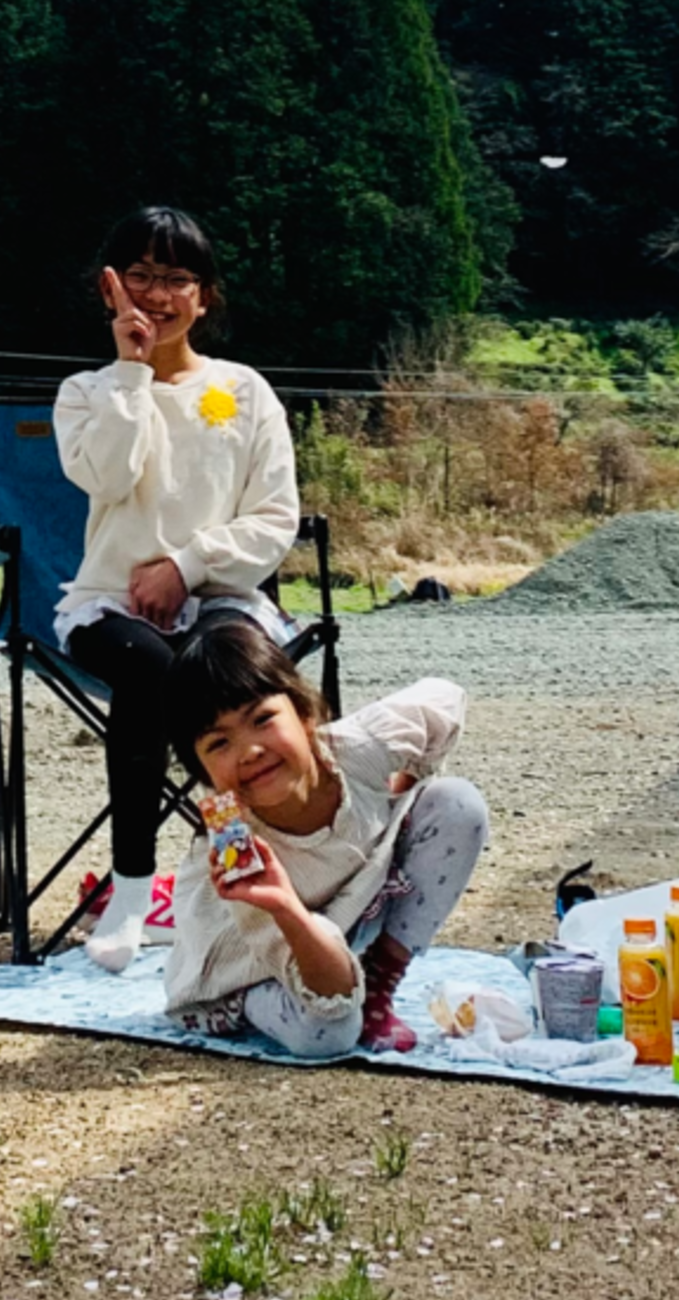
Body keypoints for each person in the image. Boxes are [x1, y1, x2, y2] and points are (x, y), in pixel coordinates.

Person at [53, 205, 297, 970]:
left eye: (175, 279)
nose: (156, 296)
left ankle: (203, 876)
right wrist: (129, 370)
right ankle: (150, 883)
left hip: (221, 597)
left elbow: (274, 518)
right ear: (109, 289)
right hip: (108, 604)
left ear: (204, 296)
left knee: (210, 675)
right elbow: (109, 475)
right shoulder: (86, 392)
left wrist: (184, 567)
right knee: (155, 671)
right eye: (141, 276)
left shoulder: (244, 390)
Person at [157, 626, 485, 1054]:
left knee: (457, 803)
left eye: (262, 720)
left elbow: (444, 698)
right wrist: (283, 904)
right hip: (248, 971)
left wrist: (407, 781)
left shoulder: (359, 749)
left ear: (305, 714)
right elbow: (326, 1001)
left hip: (339, 922)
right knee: (327, 1033)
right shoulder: (237, 864)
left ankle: (379, 982)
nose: (251, 750)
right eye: (220, 743)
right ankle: (270, 1003)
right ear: (205, 777)